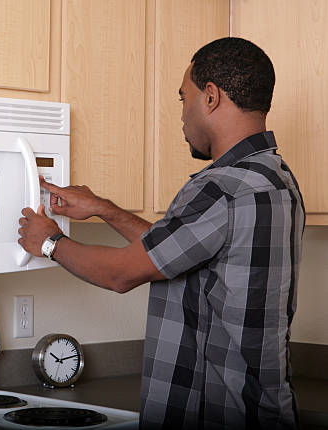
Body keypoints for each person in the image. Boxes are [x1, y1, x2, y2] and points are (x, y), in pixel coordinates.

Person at [17, 37, 305, 430]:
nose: (182, 115)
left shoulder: (223, 186)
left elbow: (121, 274)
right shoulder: (275, 179)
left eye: (183, 98)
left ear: (210, 97)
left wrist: (49, 242)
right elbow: (182, 248)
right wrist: (104, 209)